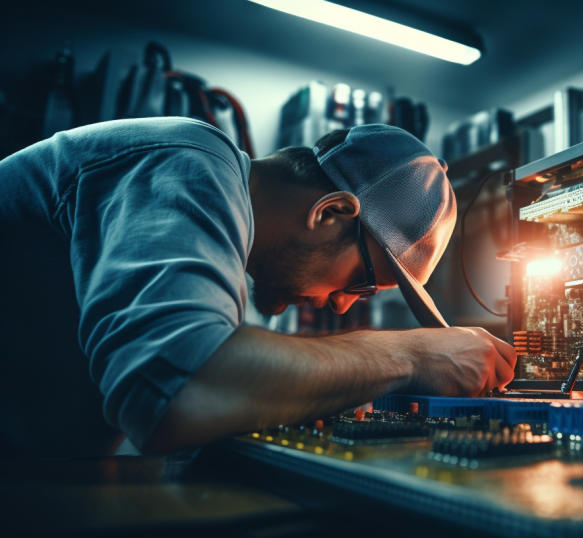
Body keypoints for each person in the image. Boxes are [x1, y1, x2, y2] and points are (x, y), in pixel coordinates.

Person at [0, 117, 516, 457]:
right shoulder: (190, 160)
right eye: (360, 283)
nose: (340, 306)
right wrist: (411, 357)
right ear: (331, 212)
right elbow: (176, 394)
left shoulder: (214, 209)